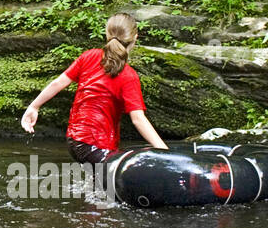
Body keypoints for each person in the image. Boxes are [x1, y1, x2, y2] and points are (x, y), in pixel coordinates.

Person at [21, 12, 168, 163]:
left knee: (99, 181)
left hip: (74, 141)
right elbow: (138, 120)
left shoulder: (89, 56)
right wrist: (165, 152)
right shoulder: (129, 76)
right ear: (135, 38)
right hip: (96, 146)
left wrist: (34, 106)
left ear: (107, 34)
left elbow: (57, 83)